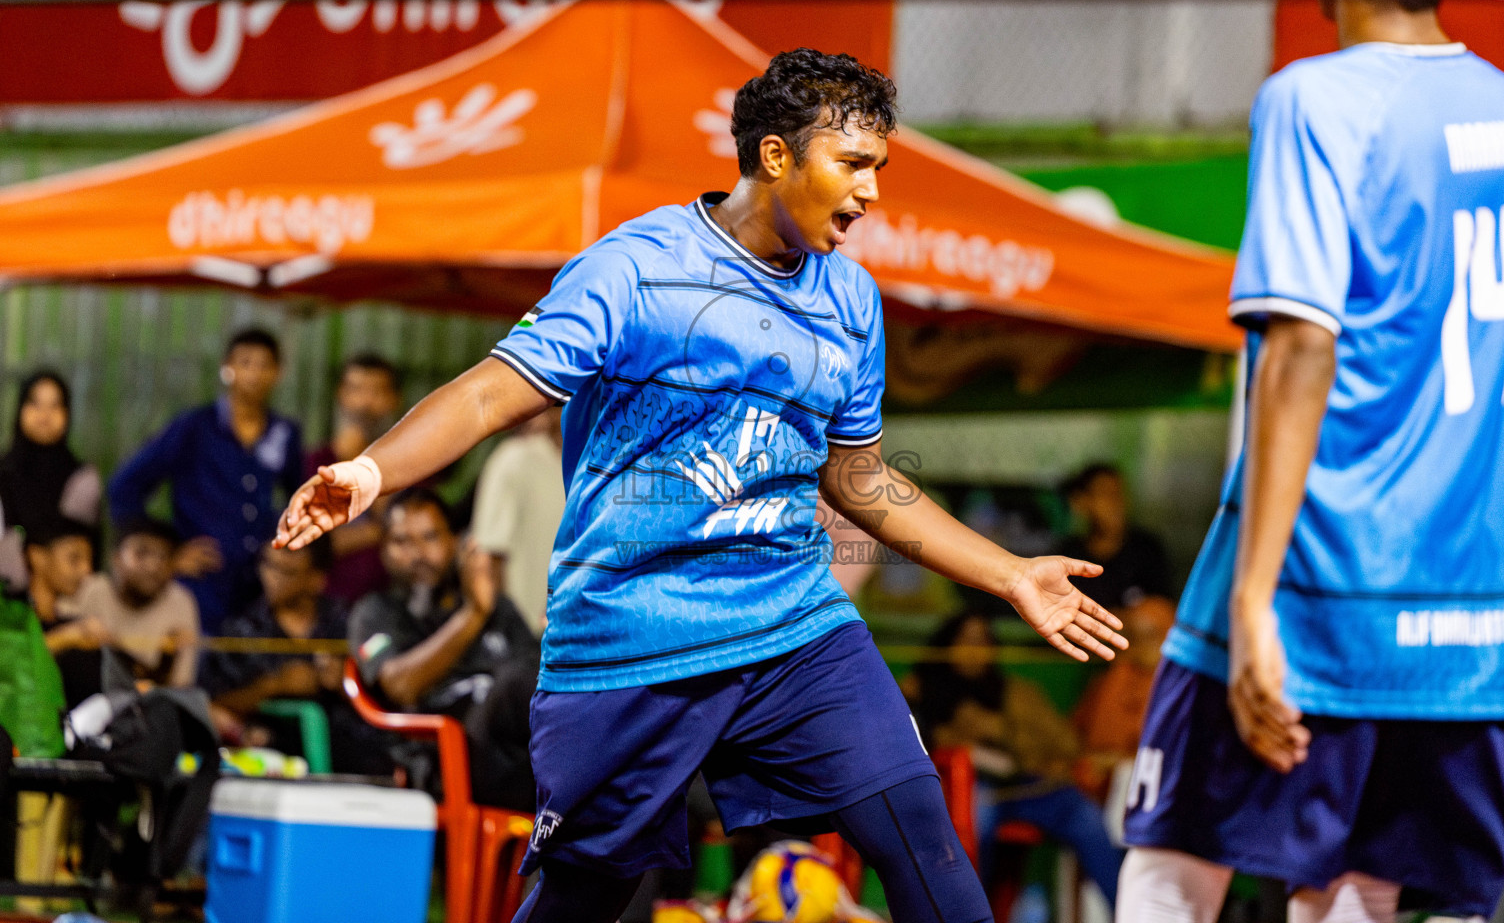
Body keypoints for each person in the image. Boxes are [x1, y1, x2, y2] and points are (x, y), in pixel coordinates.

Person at [277, 48, 1125, 923]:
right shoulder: (636, 269)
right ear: (775, 157)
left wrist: (1012, 573)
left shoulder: (852, 302)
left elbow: (859, 475)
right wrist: (372, 469)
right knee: (586, 894)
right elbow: (494, 387)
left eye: (881, 168)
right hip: (631, 640)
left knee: (921, 833)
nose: (872, 192)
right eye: (854, 164)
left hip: (795, 627)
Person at [1118, 0, 1504, 919]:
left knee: (1166, 866)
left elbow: (1303, 342)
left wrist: (1255, 598)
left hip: (1322, 590)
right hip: (1486, 632)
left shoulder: (1314, 100)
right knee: (1363, 897)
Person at [904, 612, 1125, 905]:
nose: (974, 649)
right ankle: (967, 912)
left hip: (1029, 787)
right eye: (965, 640)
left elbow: (1065, 747)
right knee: (974, 819)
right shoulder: (920, 692)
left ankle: (1128, 912)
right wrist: (958, 743)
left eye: (982, 641)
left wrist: (1001, 730)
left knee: (1087, 817)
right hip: (961, 793)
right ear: (946, 645)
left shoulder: (1017, 693)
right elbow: (913, 752)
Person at [348, 488, 540, 809]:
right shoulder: (376, 612)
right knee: (515, 683)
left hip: (518, 758)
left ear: (454, 542)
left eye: (430, 537)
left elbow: (540, 677)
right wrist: (473, 617)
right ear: (383, 551)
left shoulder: (497, 607)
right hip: (445, 759)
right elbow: (400, 686)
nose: (418, 553)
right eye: (401, 541)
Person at [108, 328, 304, 634]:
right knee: (197, 665)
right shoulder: (195, 427)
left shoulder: (283, 432)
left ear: (278, 373)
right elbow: (124, 488)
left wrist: (283, 553)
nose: (254, 373)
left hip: (259, 584)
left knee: (249, 669)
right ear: (227, 368)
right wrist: (167, 553)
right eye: (245, 363)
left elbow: (300, 498)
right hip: (203, 582)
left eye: (265, 365)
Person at [200, 535, 392, 776]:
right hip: (271, 760)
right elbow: (213, 701)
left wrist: (343, 682)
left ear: (317, 579)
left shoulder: (348, 622)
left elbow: (388, 681)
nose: (272, 578)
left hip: (353, 759)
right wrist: (274, 685)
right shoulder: (242, 630)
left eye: (287, 572)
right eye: (268, 565)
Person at [305, 354, 403, 607]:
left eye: (376, 391)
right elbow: (307, 544)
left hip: (388, 602)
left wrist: (365, 463)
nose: (365, 403)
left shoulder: (406, 462)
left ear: (394, 399)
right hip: (324, 607)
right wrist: (378, 532)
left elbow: (403, 531)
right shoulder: (315, 461)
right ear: (341, 394)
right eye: (357, 389)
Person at [0, 370, 102, 588]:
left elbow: (87, 551)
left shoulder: (82, 478)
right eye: (35, 404)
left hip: (69, 595)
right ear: (20, 410)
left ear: (67, 413)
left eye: (55, 406)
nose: (44, 415)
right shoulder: (3, 472)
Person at [470, 406, 564, 634]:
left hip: (591, 637)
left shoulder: (614, 465)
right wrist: (507, 634)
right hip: (527, 638)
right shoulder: (515, 460)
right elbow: (488, 556)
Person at [76, 519, 200, 689]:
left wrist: (168, 660)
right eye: (141, 553)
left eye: (164, 556)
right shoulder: (90, 589)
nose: (152, 566)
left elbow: (178, 690)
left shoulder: (181, 600)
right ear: (116, 558)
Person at [1072, 596, 1174, 799]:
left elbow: (1178, 753)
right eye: (1134, 637)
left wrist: (1119, 762)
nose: (1141, 647)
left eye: (1151, 635)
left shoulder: (1180, 686)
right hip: (1095, 784)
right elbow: (1078, 732)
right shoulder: (1116, 676)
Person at [1056, 464, 1172, 611]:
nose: (1116, 503)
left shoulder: (1146, 549)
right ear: (1081, 502)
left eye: (1119, 493)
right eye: (1105, 494)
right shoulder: (1067, 556)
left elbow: (1161, 611)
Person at [23, 518, 110, 709]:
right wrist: (66, 637)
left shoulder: (76, 624)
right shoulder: (12, 618)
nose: (86, 570)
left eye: (89, 560)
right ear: (37, 556)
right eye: (74, 558)